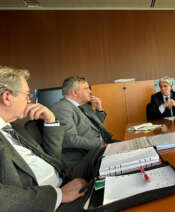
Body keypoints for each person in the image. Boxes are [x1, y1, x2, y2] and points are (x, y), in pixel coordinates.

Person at [0, 66, 104, 212]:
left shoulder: (16, 128)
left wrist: (51, 121)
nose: (29, 101)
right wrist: (59, 195)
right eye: (26, 95)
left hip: (63, 180)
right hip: (45, 202)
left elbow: (52, 159)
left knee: (104, 153)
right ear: (7, 97)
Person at [51, 76, 116, 166]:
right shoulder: (62, 108)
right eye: (86, 88)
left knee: (134, 148)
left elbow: (98, 127)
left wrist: (99, 109)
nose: (90, 91)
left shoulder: (84, 106)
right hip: (87, 156)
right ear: (74, 92)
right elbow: (70, 139)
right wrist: (100, 144)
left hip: (102, 145)